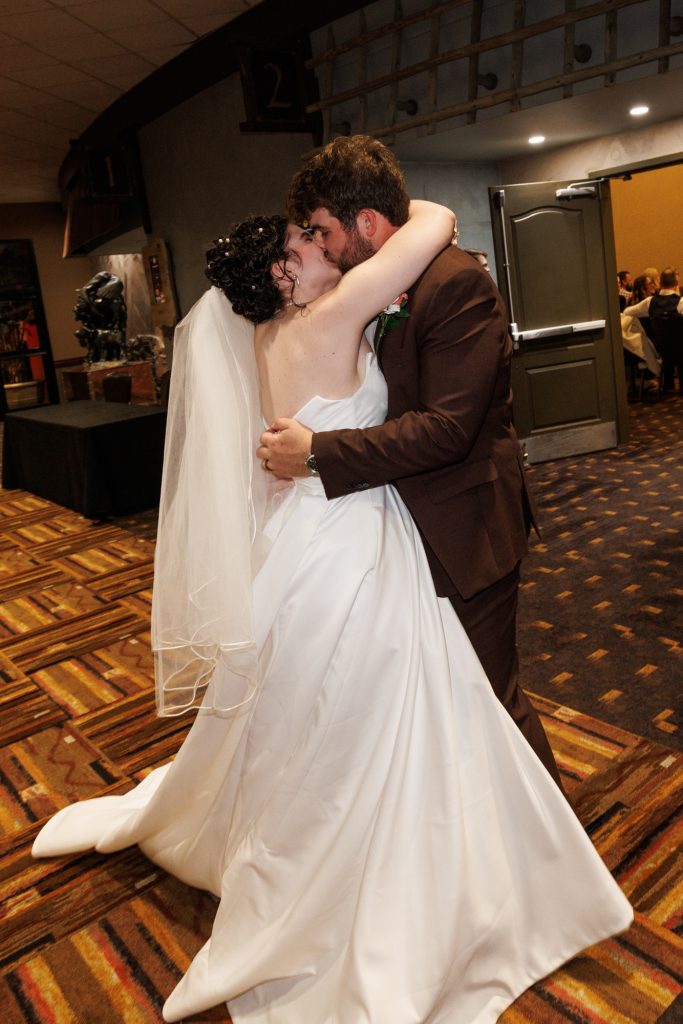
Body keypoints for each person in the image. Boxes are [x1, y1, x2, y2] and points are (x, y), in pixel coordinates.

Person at [31, 206, 632, 1024]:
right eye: (304, 243)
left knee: (319, 701)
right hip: (354, 534)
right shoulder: (332, 314)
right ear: (281, 276)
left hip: (303, 533)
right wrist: (403, 211)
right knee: (384, 692)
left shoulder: (264, 334)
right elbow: (432, 220)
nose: (320, 249)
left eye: (317, 235)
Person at [258, 134, 562, 789]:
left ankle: (556, 836)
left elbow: (446, 430)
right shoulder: (379, 283)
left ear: (367, 223)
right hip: (396, 532)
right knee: (435, 702)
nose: (320, 246)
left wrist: (318, 453)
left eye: (323, 230)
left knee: (489, 699)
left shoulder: (456, 285)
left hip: (464, 528)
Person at [625, 267, 683, 392]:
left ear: (660, 283)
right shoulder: (680, 302)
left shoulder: (649, 302)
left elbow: (627, 312)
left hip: (660, 349)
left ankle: (668, 385)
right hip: (680, 349)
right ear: (676, 284)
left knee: (670, 345)